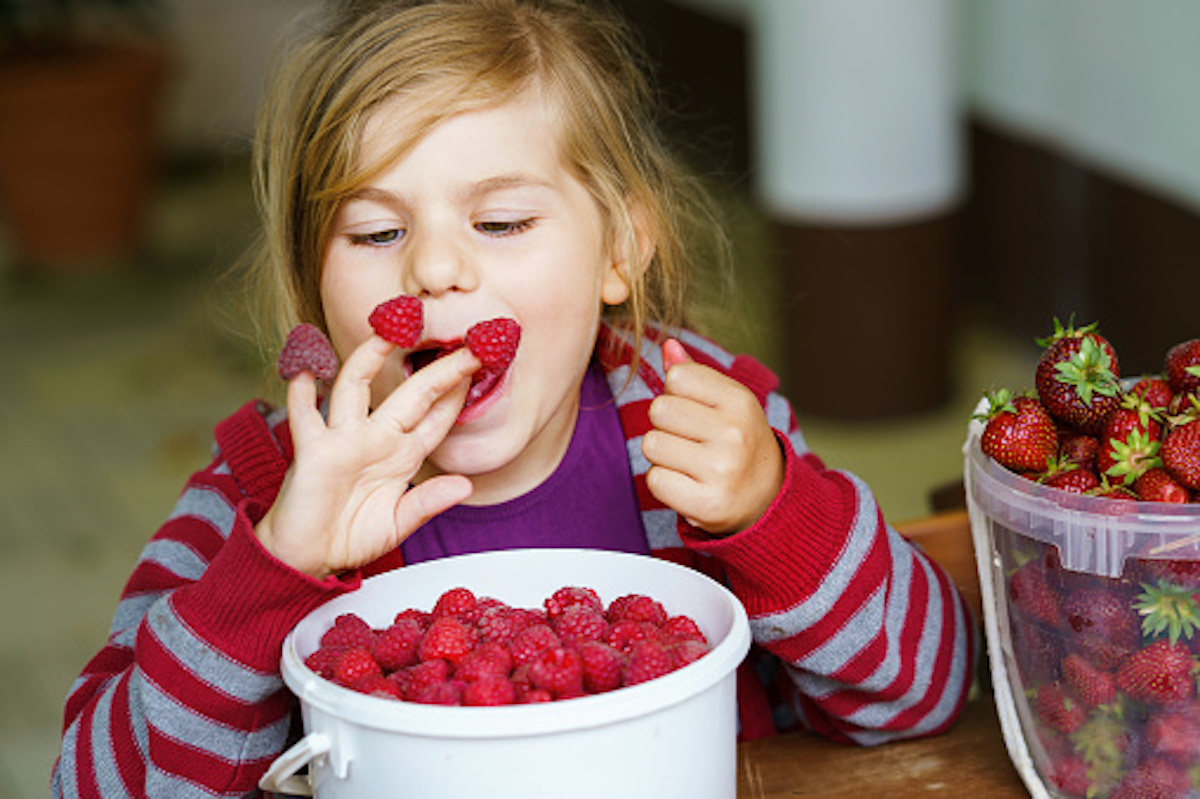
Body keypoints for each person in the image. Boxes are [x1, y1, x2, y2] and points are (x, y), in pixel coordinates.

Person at [53, 0, 976, 795]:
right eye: (376, 231)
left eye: (501, 221)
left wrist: (778, 512)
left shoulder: (699, 420)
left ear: (621, 249)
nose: (439, 266)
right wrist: (274, 570)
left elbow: (924, 690)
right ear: (310, 290)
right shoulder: (263, 495)